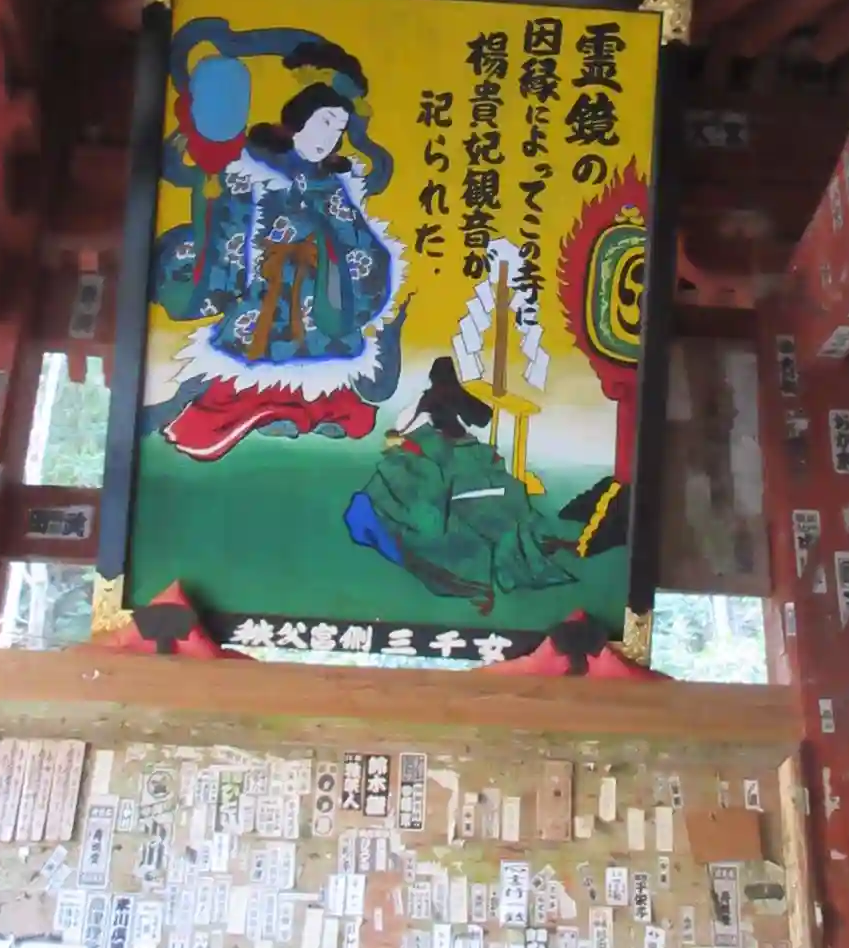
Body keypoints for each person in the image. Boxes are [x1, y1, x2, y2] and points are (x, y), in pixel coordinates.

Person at [151, 36, 407, 461]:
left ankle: (312, 414)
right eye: (325, 123)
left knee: (324, 366)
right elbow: (232, 223)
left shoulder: (332, 182)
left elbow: (356, 235)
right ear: (299, 120)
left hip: (318, 287)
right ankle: (263, 414)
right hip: (268, 288)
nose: (330, 137)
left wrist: (349, 264)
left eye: (339, 130)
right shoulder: (252, 167)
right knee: (251, 363)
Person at [344, 358, 577, 615]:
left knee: (424, 508)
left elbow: (404, 428)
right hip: (454, 451)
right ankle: (529, 546)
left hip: (442, 454)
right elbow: (482, 417)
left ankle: (476, 577)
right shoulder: (451, 397)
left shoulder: (426, 400)